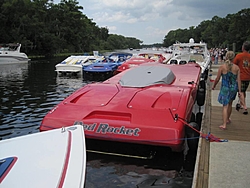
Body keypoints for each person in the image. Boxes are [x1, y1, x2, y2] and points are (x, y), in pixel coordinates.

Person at [212, 51, 241, 130]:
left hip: (225, 88)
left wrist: (213, 86)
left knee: (225, 106)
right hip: (233, 88)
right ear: (233, 58)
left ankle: (224, 124)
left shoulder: (222, 67)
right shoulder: (237, 68)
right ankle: (227, 119)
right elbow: (238, 80)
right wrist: (240, 91)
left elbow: (217, 78)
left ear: (226, 57)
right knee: (230, 104)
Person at [233, 41, 250, 115]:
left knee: (240, 92)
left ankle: (244, 106)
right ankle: (240, 104)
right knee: (244, 91)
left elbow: (234, 64)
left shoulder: (239, 56)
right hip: (248, 77)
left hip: (240, 77)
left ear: (243, 47)